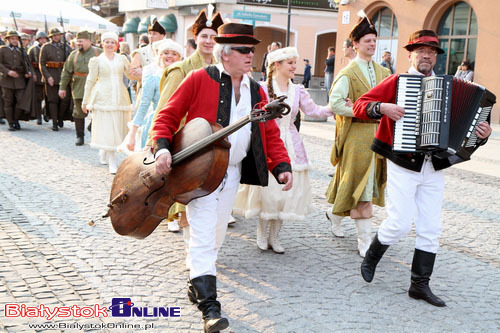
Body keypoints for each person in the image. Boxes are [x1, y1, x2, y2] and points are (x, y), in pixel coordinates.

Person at [152, 22, 292, 333]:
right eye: (244, 50)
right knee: (202, 234)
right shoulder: (199, 78)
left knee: (215, 236)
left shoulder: (257, 89)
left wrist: (281, 166)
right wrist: (161, 146)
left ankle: (196, 282)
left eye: (252, 51)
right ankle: (209, 307)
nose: (250, 56)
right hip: (198, 172)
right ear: (225, 54)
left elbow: (269, 132)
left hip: (232, 173)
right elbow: (167, 115)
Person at [352, 29, 493, 307]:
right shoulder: (397, 82)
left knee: (431, 227)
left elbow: (465, 133)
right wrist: (383, 108)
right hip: (403, 163)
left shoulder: (447, 85)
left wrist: (482, 134)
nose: (426, 56)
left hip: (434, 166)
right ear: (411, 55)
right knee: (400, 223)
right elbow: (360, 105)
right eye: (421, 51)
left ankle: (419, 285)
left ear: (436, 58)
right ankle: (372, 254)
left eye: (431, 52)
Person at [233, 47, 333, 253]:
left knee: (286, 195)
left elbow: (314, 111)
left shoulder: (298, 90)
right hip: (268, 143)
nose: (294, 67)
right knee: (268, 193)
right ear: (276, 65)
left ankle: (275, 237)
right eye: (290, 63)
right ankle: (262, 233)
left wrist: (335, 107)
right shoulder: (261, 88)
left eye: (295, 62)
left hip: (292, 145)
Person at [145, 8, 224, 241]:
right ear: (195, 38)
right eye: (204, 36)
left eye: (213, 36)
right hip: (185, 141)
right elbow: (164, 110)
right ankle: (192, 250)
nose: (209, 41)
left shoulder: (224, 71)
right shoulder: (181, 70)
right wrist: (158, 144)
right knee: (187, 197)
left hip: (213, 142)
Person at [324, 16, 391, 257]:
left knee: (365, 183)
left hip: (378, 135)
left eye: (374, 40)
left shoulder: (384, 71)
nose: (372, 44)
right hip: (356, 135)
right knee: (359, 187)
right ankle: (365, 242)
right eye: (367, 41)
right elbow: (334, 103)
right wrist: (359, 110)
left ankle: (334, 213)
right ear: (355, 44)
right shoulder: (348, 72)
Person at [82, 32, 132, 174]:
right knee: (108, 128)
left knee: (118, 126)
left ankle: (105, 152)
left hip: (120, 96)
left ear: (116, 44)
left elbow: (130, 74)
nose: (110, 45)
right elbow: (90, 80)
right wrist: (85, 101)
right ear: (102, 44)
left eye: (112, 42)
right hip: (103, 96)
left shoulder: (122, 59)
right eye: (107, 42)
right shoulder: (96, 61)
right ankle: (112, 160)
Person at [125, 39, 182, 154]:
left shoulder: (184, 76)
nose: (170, 56)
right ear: (160, 56)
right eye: (166, 53)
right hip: (155, 124)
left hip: (179, 125)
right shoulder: (153, 78)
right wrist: (133, 134)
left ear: (179, 58)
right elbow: (144, 104)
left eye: (174, 54)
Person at [59, 31, 102, 146]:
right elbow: (66, 72)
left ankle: (93, 127)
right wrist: (62, 87)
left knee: (98, 110)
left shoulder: (99, 53)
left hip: (96, 87)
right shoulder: (73, 55)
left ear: (88, 41)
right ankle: (80, 136)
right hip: (79, 87)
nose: (79, 44)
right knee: (78, 112)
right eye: (77, 42)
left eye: (81, 41)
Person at [39, 27, 73, 131]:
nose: (56, 37)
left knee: (65, 100)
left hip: (64, 77)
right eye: (54, 35)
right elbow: (42, 64)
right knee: (52, 100)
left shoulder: (66, 47)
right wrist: (48, 77)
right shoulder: (45, 47)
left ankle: (60, 117)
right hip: (51, 76)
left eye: (58, 35)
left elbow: (71, 62)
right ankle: (54, 122)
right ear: (51, 37)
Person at [0, 30, 32, 131]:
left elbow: (26, 64)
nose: (14, 41)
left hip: (19, 79)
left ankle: (16, 119)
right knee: (8, 102)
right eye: (12, 39)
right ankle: (11, 123)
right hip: (7, 79)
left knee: (20, 100)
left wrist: (28, 72)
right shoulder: (2, 50)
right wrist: (7, 72)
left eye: (16, 39)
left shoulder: (21, 51)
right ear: (8, 39)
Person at [28, 31, 48, 125]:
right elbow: (29, 63)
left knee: (48, 97)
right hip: (38, 74)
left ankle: (46, 112)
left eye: (44, 39)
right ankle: (39, 116)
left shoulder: (49, 48)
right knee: (38, 98)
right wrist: (33, 74)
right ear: (38, 40)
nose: (43, 40)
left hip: (48, 74)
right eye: (41, 39)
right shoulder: (33, 50)